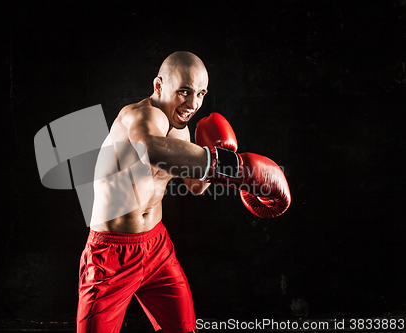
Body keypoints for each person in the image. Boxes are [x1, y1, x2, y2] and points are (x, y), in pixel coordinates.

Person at [76, 51, 290, 333]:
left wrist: (219, 154)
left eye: (200, 94)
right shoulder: (139, 115)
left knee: (184, 329)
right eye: (184, 92)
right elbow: (150, 149)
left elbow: (197, 186)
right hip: (111, 255)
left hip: (156, 249)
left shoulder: (181, 132)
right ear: (158, 86)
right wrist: (232, 165)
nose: (193, 104)